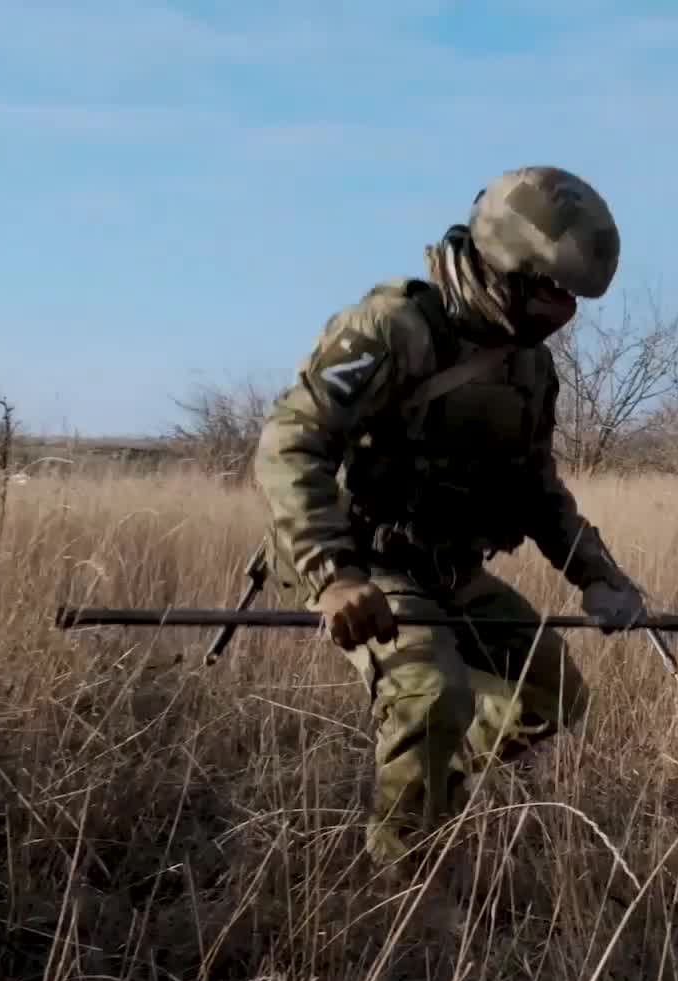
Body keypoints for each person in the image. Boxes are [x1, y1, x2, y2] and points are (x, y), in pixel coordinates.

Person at [252, 165, 650, 865]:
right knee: (431, 693)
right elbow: (290, 447)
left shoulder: (529, 368)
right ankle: (404, 871)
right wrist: (334, 575)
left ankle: (431, 777)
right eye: (552, 289)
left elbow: (536, 487)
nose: (564, 312)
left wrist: (599, 576)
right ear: (504, 263)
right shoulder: (390, 330)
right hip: (366, 561)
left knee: (552, 694)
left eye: (573, 297)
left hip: (451, 567)